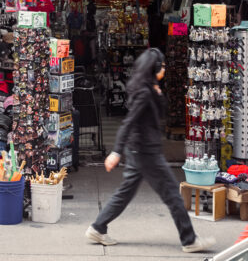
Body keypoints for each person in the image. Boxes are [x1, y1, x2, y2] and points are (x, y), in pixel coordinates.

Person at [85, 48, 215, 253]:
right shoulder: (145, 92)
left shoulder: (147, 88)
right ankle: (189, 239)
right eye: (161, 66)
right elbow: (129, 122)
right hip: (146, 152)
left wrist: (158, 92)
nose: (164, 69)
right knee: (172, 194)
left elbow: (155, 114)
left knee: (125, 193)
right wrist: (116, 152)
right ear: (153, 68)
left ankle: (98, 227)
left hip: (139, 150)